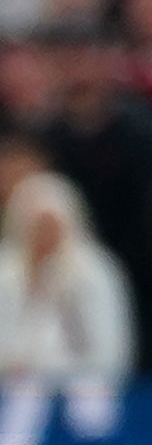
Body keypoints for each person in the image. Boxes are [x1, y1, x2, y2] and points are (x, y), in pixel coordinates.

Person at [0, 154, 133, 383]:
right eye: (36, 227)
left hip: (85, 385)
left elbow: (110, 345)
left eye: (50, 226)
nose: (43, 236)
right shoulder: (7, 271)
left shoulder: (94, 271)